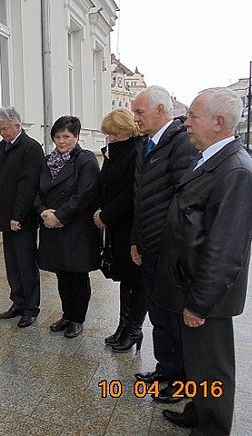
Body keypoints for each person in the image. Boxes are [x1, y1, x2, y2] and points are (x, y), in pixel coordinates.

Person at [153, 88, 252, 434]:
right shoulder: (211, 158)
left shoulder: (235, 169)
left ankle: (212, 427)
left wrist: (199, 303)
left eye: (193, 117)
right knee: (198, 363)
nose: (186, 122)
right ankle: (198, 409)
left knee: (212, 367)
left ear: (219, 122)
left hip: (207, 296)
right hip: (189, 283)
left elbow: (225, 249)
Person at [130, 85, 195, 403]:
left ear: (160, 110)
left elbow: (184, 202)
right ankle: (165, 368)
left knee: (171, 316)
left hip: (168, 251)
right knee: (158, 315)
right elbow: (140, 198)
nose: (135, 118)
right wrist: (135, 240)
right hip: (148, 247)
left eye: (139, 112)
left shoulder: (180, 143)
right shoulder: (146, 144)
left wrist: (165, 246)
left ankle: (180, 379)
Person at [35, 116, 100, 338]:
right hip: (52, 224)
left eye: (66, 136)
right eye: (57, 136)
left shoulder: (86, 160)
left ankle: (77, 318)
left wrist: (60, 216)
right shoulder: (47, 161)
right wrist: (43, 212)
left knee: (77, 276)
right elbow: (37, 191)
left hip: (76, 227)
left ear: (77, 137)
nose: (61, 141)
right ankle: (66, 314)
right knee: (62, 274)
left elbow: (85, 195)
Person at [94, 108, 146, 352]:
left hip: (130, 225)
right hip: (118, 225)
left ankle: (134, 329)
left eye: (114, 134)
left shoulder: (137, 151)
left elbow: (130, 192)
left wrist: (106, 215)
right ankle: (123, 326)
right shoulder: (114, 151)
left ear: (127, 131)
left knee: (136, 280)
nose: (110, 138)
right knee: (126, 279)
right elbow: (105, 183)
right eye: (108, 134)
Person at [0, 106, 43, 328]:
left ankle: (31, 307)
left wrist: (18, 216)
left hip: (22, 218)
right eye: (0, 129)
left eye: (6, 129)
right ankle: (17, 302)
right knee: (12, 262)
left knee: (26, 263)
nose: (3, 133)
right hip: (5, 215)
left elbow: (28, 185)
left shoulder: (31, 148)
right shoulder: (2, 147)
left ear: (18, 126)